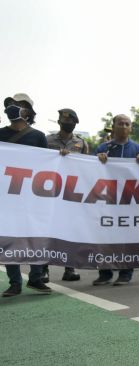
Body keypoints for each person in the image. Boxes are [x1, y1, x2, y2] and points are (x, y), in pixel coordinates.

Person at [1, 93, 51, 297]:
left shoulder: (38, 136)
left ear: (28, 110)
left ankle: (36, 278)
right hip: (8, 196)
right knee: (11, 238)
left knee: (35, 236)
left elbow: (48, 164)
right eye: (13, 104)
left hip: (32, 194)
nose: (16, 107)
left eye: (21, 105)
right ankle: (15, 283)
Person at [92, 114, 139, 286]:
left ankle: (125, 272)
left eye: (127, 124)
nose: (124, 126)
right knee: (105, 236)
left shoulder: (138, 149)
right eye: (120, 123)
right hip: (107, 201)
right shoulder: (103, 148)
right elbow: (88, 171)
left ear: (131, 128)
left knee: (127, 238)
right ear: (113, 126)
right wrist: (98, 161)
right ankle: (105, 272)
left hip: (130, 201)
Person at [44, 108, 89, 282]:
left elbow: (87, 166)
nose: (67, 123)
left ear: (75, 123)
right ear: (59, 122)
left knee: (69, 230)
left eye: (70, 121)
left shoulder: (81, 143)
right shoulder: (47, 141)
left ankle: (69, 268)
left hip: (71, 193)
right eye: (64, 121)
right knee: (48, 231)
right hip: (49, 192)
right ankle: (43, 269)